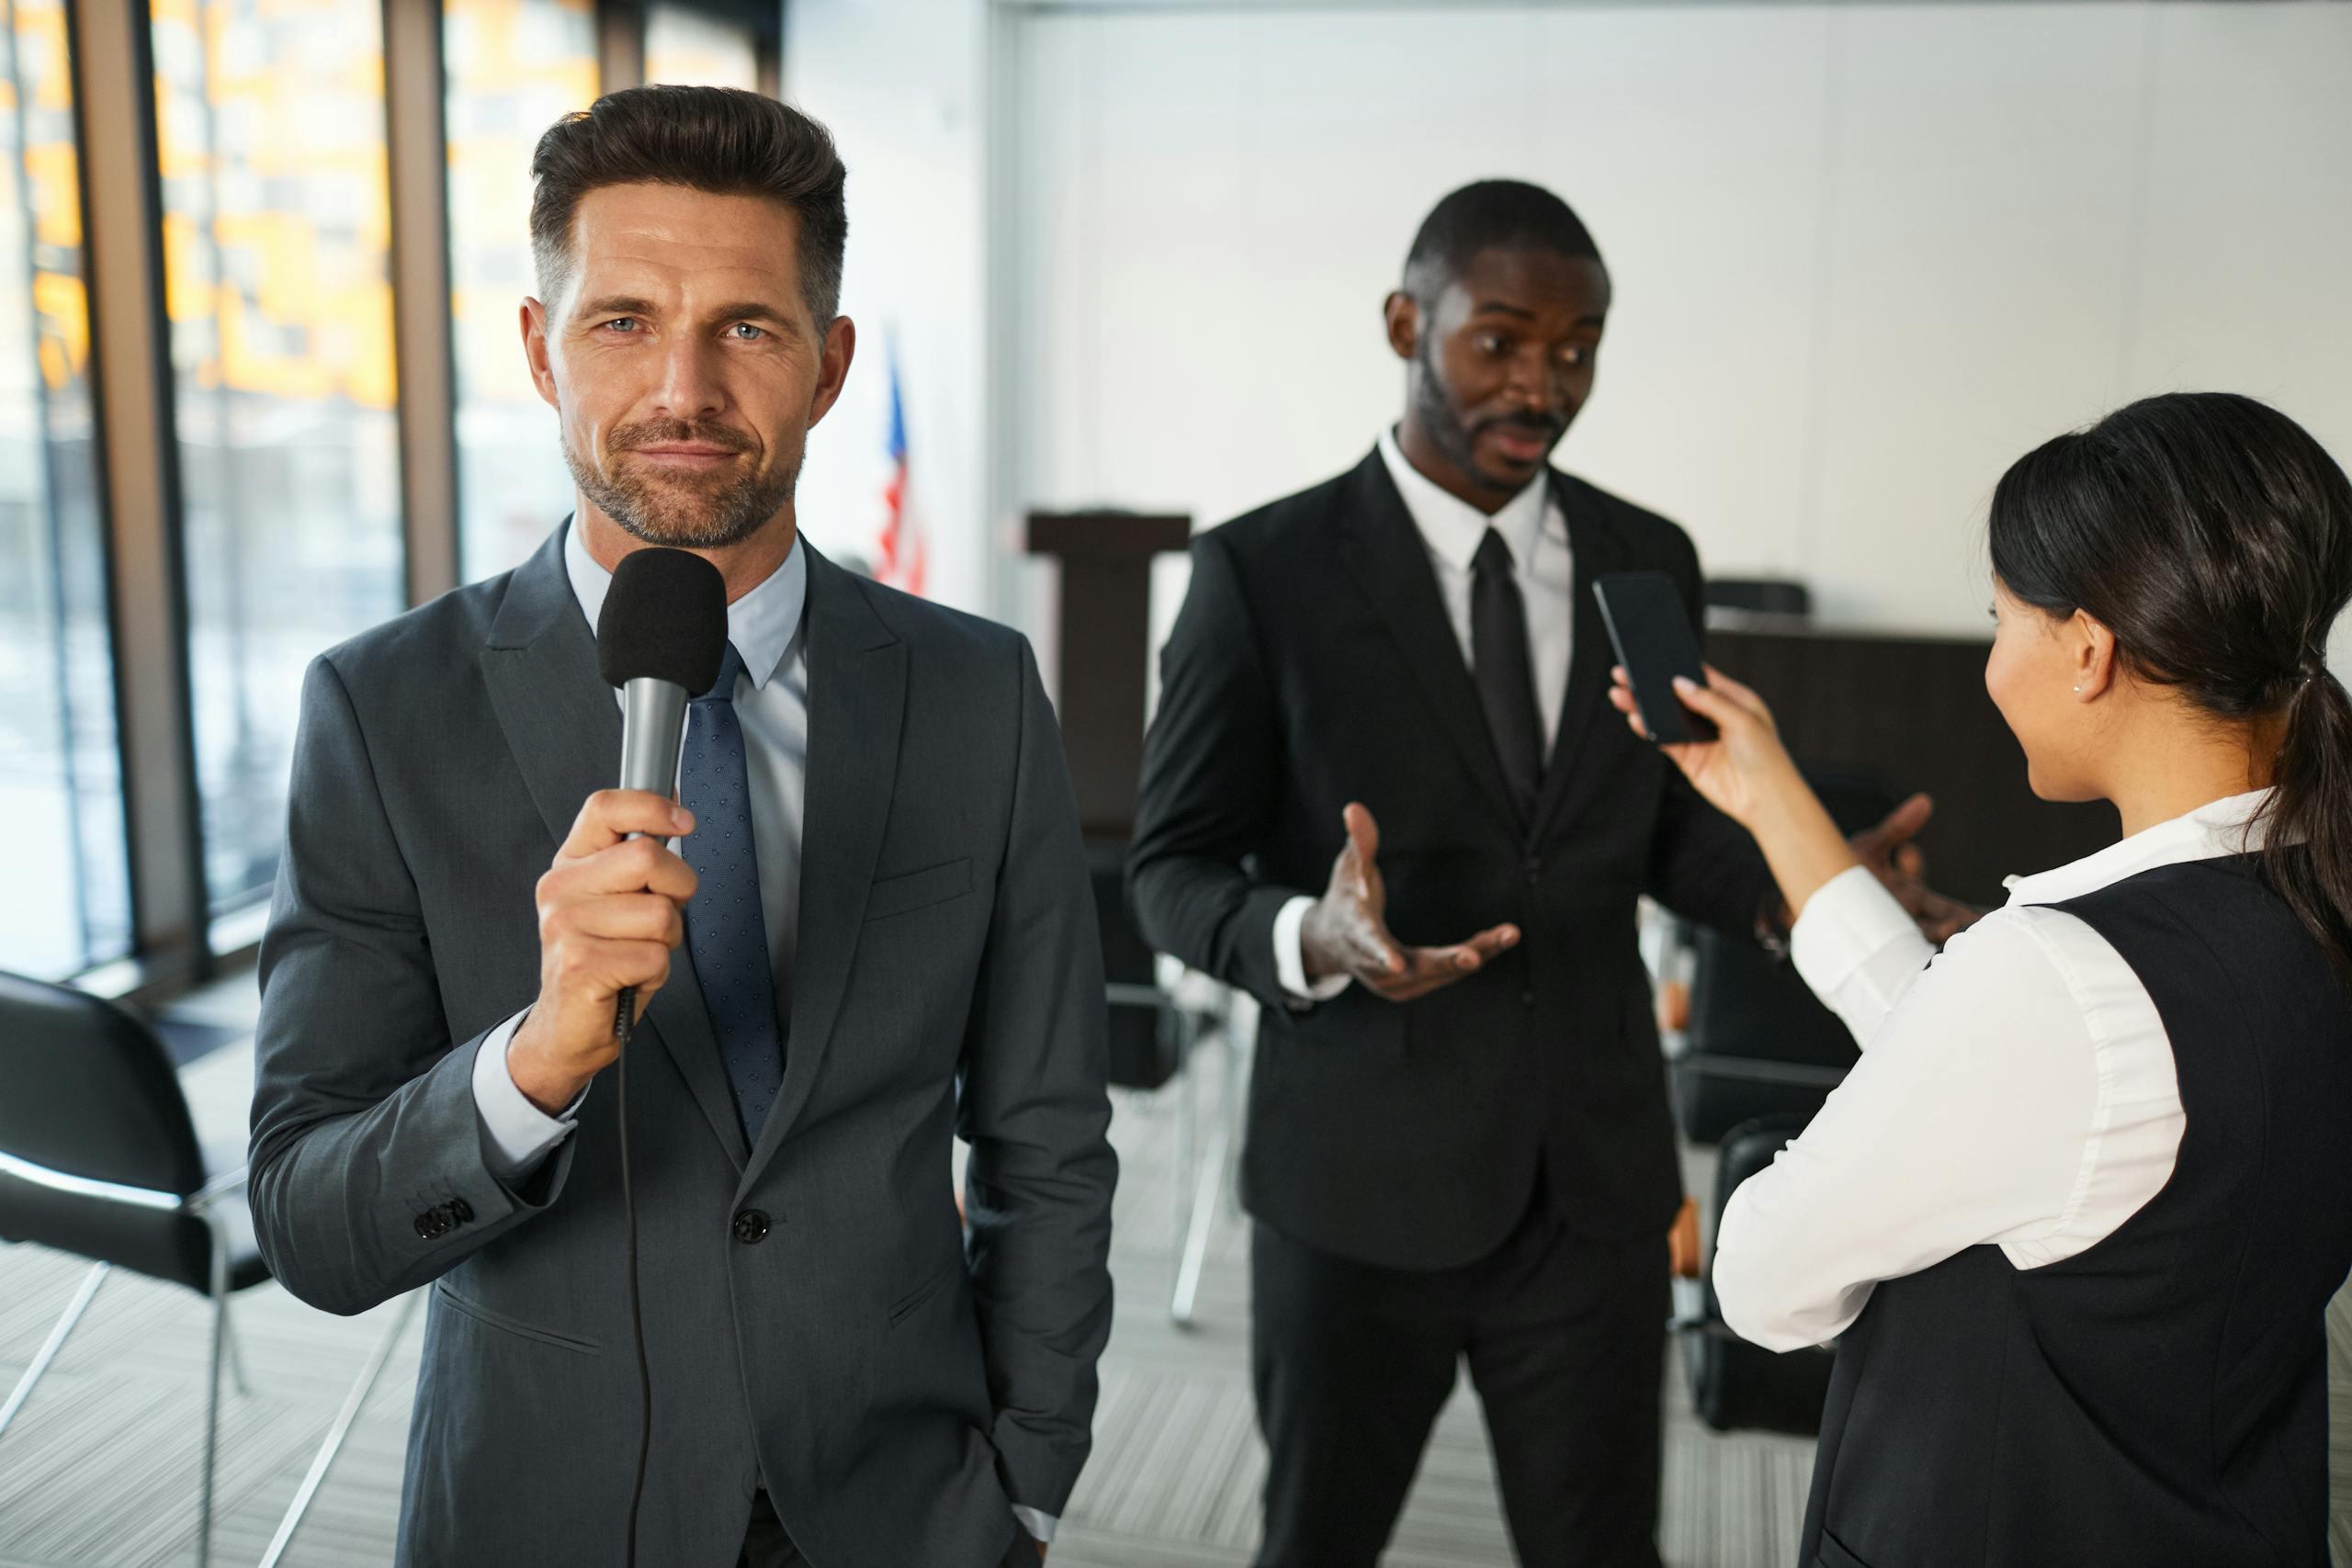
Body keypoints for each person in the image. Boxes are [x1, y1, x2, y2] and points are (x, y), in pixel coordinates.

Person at [247, 87, 1115, 1568]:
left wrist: (1028, 1475)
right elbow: (310, 1221)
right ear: (539, 347)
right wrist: (535, 1062)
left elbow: (1046, 1136)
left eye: (749, 328)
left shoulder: (977, 689)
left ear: (830, 364)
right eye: (623, 321)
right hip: (542, 1505)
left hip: (908, 1505)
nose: (686, 390)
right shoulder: (384, 710)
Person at [1125, 179, 1961, 1567]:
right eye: (1500, 341)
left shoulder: (1647, 559)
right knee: (1312, 1543)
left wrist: (1804, 885)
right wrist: (1308, 936)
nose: (1544, 382)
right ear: (1406, 321)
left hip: (1595, 1187)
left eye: (1578, 348)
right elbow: (1170, 867)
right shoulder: (1258, 575)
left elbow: (1666, 826)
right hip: (1357, 1189)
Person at [1616, 391, 2352, 1568]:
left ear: (2086, 648)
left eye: (1999, 616)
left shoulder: (2056, 979)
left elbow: (1761, 1281)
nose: (1991, 657)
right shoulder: (2306, 897)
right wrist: (1764, 792)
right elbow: (2021, 1093)